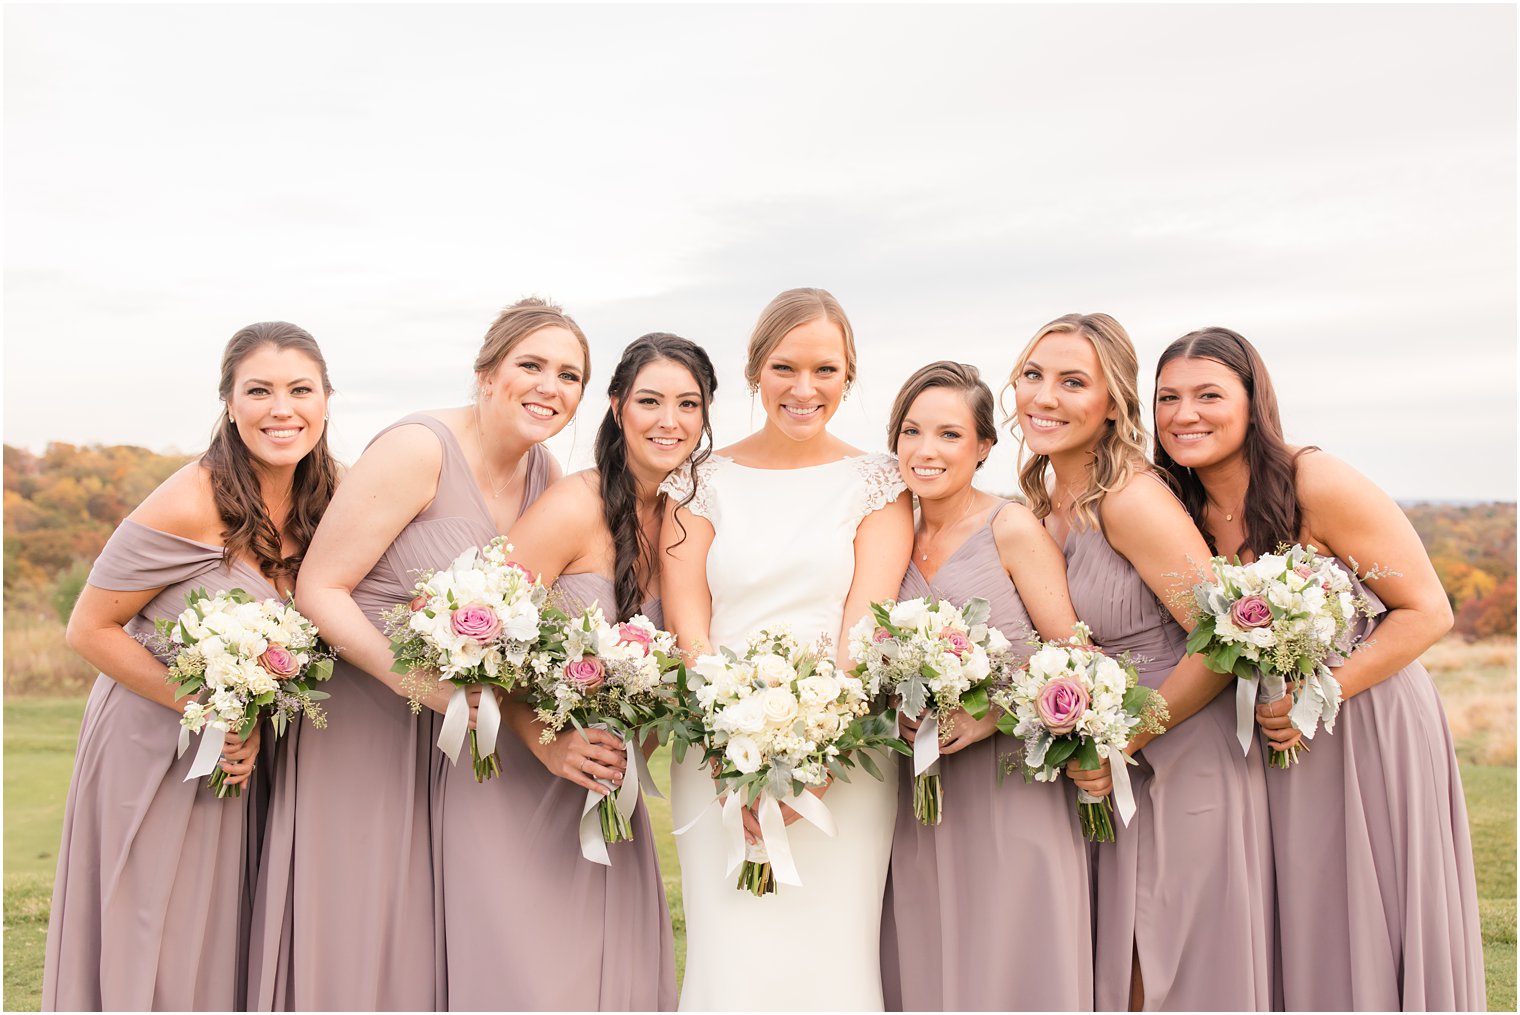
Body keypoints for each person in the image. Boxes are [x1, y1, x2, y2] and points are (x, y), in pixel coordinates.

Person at [247, 298, 587, 1010]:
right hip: (366, 719)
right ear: (487, 374)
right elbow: (321, 587)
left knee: (429, 936)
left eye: (569, 374)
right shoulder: (417, 448)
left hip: (450, 738)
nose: (548, 387)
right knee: (360, 921)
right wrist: (422, 684)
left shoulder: (544, 471)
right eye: (531, 365)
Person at [1153, 326, 1486, 1010]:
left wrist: (1318, 694)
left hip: (1366, 719)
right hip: (1270, 740)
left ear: (1253, 402)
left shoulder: (1315, 479)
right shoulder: (1179, 505)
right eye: (1168, 397)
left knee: (1371, 906)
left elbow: (1428, 610)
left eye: (1208, 394)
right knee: (1305, 915)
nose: (1185, 414)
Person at [43, 322, 338, 1011]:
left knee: (215, 944)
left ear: (327, 400)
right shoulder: (190, 497)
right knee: (152, 930)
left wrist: (254, 720)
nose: (281, 408)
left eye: (300, 389)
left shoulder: (322, 508)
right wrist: (208, 711)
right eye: (258, 390)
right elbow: (89, 627)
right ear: (230, 404)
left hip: (240, 756)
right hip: (151, 745)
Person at [440, 332, 717, 1010]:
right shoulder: (574, 504)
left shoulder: (685, 524)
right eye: (650, 400)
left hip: (608, 790)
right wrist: (546, 736)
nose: (669, 420)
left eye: (688, 404)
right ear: (618, 407)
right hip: (517, 786)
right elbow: (470, 636)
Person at [1010, 313, 1274, 1011]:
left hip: (1182, 758)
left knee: (1170, 967)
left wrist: (1129, 734)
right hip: (1112, 761)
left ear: (1113, 403)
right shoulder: (1041, 502)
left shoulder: (1129, 498)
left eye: (1073, 382)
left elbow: (1226, 643)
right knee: (1115, 963)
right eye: (1033, 375)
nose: (1045, 396)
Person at [660, 287, 913, 1011]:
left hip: (845, 757)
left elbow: (864, 629)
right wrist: (728, 752)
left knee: (832, 951)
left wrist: (816, 764)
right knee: (732, 946)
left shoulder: (877, 483)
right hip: (715, 751)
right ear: (754, 371)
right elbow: (689, 628)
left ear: (849, 375)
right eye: (785, 367)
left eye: (826, 370)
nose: (805, 390)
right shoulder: (699, 482)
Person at [877, 361, 1092, 1011]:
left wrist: (992, 715)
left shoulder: (1011, 528)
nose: (926, 450)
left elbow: (1075, 657)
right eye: (911, 431)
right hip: (916, 790)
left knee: (1010, 961)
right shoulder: (891, 537)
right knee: (926, 958)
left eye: (948, 434)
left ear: (984, 447)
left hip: (1008, 783)